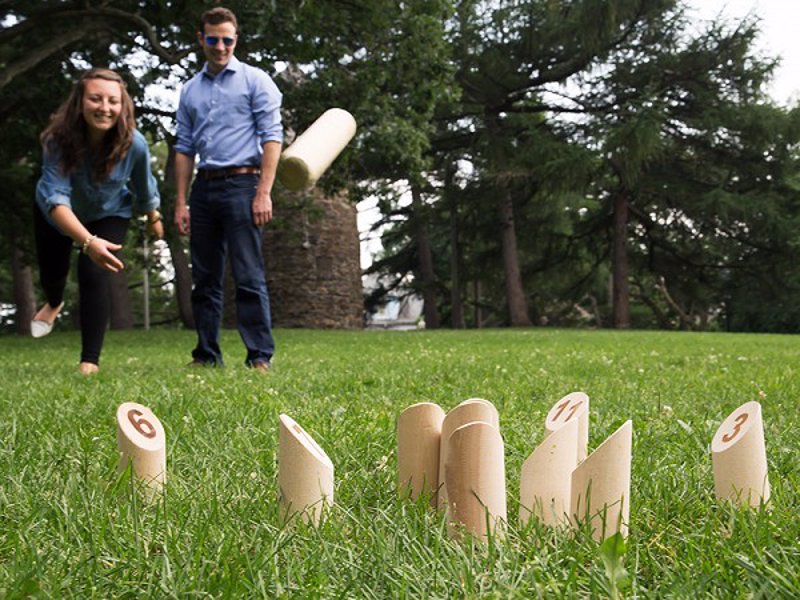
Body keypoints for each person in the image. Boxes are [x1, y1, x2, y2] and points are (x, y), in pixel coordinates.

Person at [32, 68, 163, 375]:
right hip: (58, 215)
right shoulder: (57, 140)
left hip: (109, 211)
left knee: (93, 272)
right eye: (95, 98)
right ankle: (53, 303)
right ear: (80, 102)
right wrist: (87, 241)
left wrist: (153, 216)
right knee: (53, 273)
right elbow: (56, 199)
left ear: (123, 106)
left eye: (112, 101)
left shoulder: (135, 144)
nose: (105, 107)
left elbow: (144, 186)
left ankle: (89, 361)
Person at [174, 6, 282, 372]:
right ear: (200, 39)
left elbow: (272, 138)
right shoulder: (190, 90)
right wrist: (180, 202)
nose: (220, 46)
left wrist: (263, 191)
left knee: (249, 275)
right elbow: (184, 148)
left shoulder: (256, 81)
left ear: (236, 39)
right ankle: (206, 354)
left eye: (227, 39)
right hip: (203, 190)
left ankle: (259, 356)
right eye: (212, 39)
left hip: (243, 185)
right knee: (204, 278)